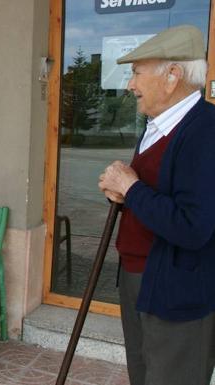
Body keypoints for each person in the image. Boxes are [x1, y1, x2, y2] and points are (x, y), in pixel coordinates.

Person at [98, 25, 215, 385]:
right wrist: (123, 191)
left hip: (176, 291)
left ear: (172, 75)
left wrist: (132, 189)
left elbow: (193, 226)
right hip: (141, 278)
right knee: (144, 374)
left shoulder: (205, 131)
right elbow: (154, 191)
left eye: (136, 73)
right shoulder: (159, 124)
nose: (130, 84)